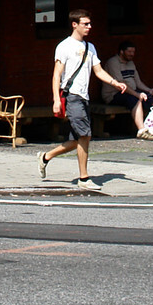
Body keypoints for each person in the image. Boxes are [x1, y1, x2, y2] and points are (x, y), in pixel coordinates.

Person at [39, 10, 130, 185]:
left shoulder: (90, 47)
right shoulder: (64, 46)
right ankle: (84, 178)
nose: (89, 27)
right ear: (75, 24)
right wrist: (56, 100)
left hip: (84, 97)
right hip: (72, 96)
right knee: (85, 136)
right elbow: (56, 75)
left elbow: (98, 71)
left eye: (89, 23)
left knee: (77, 140)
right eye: (85, 24)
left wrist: (115, 83)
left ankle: (45, 157)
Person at [100, 39, 153, 138]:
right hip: (114, 94)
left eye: (133, 52)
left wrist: (149, 90)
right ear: (121, 51)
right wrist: (137, 94)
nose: (132, 54)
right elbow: (120, 85)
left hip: (132, 92)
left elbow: (138, 82)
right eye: (129, 52)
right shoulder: (113, 62)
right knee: (136, 99)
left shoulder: (131, 63)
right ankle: (142, 130)